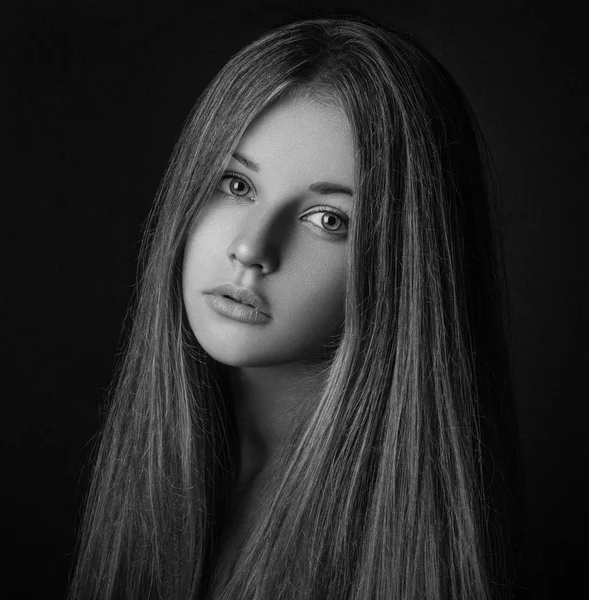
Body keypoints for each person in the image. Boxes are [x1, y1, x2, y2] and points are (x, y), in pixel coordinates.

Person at [68, 13, 521, 600]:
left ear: (406, 265)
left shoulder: (395, 555)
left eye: (328, 220)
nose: (251, 249)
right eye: (235, 185)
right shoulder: (173, 472)